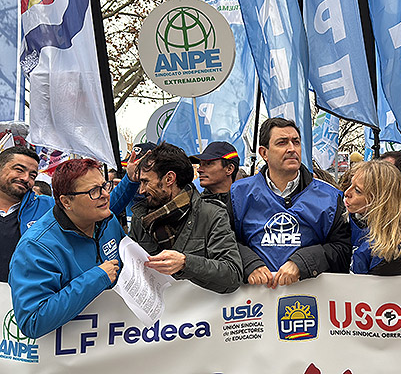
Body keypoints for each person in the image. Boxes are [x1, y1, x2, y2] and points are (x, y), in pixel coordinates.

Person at [229, 118, 352, 288]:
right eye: (282, 143)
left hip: (311, 299)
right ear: (264, 153)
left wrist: (302, 263)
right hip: (254, 301)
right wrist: (249, 263)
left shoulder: (330, 197)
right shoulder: (238, 193)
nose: (292, 149)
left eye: (296, 142)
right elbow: (225, 240)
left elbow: (342, 250)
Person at [9, 159, 123, 338]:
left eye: (104, 186)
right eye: (93, 191)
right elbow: (33, 321)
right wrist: (97, 277)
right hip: (69, 354)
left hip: (114, 339)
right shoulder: (36, 247)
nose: (105, 195)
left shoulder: (108, 220)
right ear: (66, 202)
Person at [0, 146, 138, 282]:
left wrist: (129, 181)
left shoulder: (48, 206)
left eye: (32, 175)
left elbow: (97, 208)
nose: (25, 178)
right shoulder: (33, 242)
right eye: (19, 170)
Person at [131, 142, 242, 294]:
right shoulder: (141, 218)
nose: (141, 190)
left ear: (169, 178)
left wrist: (185, 263)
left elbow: (232, 274)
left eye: (146, 182)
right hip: (152, 315)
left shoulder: (211, 214)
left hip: (202, 316)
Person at [344, 160, 401, 275]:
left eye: (357, 191)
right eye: (350, 184)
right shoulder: (353, 220)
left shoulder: (393, 248)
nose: (347, 192)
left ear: (380, 199)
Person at [189, 141, 240, 205]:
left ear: (229, 169)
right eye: (200, 165)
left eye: (208, 164)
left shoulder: (245, 204)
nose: (199, 170)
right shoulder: (194, 206)